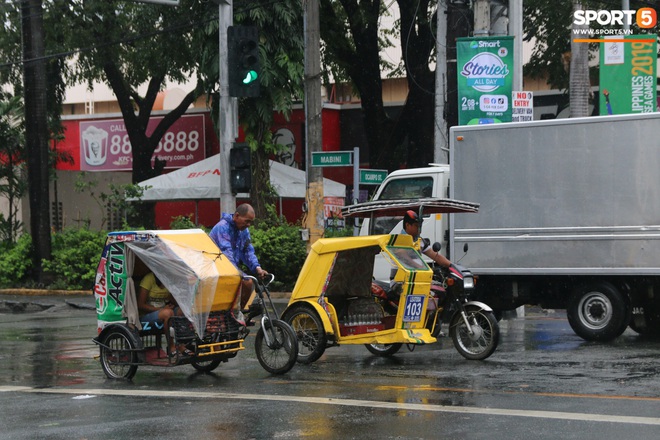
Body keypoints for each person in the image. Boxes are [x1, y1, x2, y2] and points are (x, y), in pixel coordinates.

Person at [209, 203, 268, 313]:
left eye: (251, 222)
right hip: (216, 268)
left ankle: (239, 313)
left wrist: (257, 268)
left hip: (231, 268)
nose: (249, 225)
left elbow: (248, 251)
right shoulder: (222, 227)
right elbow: (227, 253)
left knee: (249, 283)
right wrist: (237, 273)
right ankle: (237, 313)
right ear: (236, 216)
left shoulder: (243, 230)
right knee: (247, 282)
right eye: (247, 221)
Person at [137, 272, 184, 356]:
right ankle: (171, 347)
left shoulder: (168, 279)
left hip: (164, 311)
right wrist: (161, 309)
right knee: (167, 313)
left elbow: (172, 299)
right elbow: (140, 305)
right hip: (146, 316)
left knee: (182, 311)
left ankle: (182, 344)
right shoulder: (149, 279)